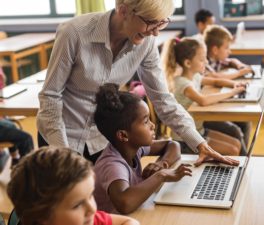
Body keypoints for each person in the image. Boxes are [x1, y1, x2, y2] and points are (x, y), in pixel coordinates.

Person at [36, 0, 239, 167]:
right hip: (61, 136)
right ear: (123, 10)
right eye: (151, 22)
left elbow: (162, 99)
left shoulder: (146, 42)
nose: (156, 32)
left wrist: (199, 143)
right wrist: (64, 153)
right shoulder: (74, 32)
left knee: (103, 208)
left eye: (162, 23)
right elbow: (50, 96)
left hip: (100, 137)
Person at [93, 83, 192, 214]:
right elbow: (125, 203)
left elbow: (173, 145)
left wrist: (161, 164)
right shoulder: (112, 164)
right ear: (123, 135)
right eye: (145, 121)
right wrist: (160, 175)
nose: (152, 125)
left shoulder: (133, 148)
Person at [7, 146, 140, 225]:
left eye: (90, 196)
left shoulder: (86, 219)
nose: (92, 209)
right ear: (43, 216)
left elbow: (127, 222)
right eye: (77, 205)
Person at [162, 37, 247, 155]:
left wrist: (235, 84)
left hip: (198, 130)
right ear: (188, 63)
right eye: (202, 60)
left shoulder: (195, 76)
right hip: (185, 140)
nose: (206, 62)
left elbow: (215, 82)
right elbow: (203, 100)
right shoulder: (182, 83)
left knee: (236, 144)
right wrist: (233, 93)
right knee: (232, 150)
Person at [203, 25, 253, 147]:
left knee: (245, 122)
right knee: (234, 130)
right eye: (227, 48)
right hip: (204, 114)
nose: (229, 51)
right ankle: (241, 158)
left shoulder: (217, 60)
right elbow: (215, 78)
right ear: (215, 50)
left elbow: (232, 60)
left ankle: (242, 157)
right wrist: (240, 73)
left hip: (213, 105)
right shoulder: (203, 62)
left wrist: (240, 66)